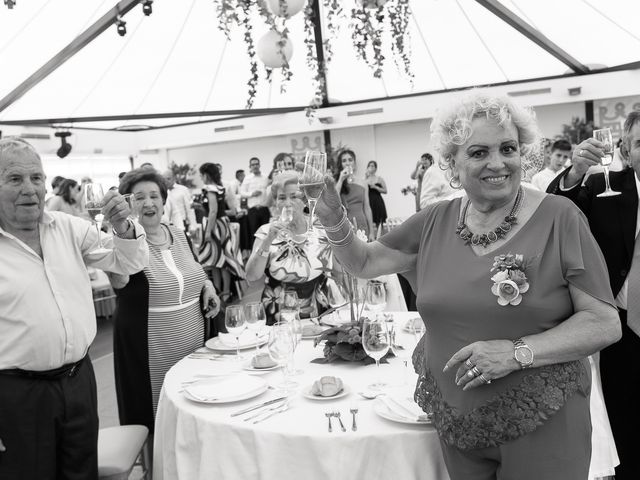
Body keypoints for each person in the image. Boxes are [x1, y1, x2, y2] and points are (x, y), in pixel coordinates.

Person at [303, 92, 621, 480]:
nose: (497, 163)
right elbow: (365, 262)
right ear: (451, 163)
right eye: (478, 152)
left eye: (508, 148)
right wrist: (335, 220)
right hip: (459, 425)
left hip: (543, 424)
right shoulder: (435, 219)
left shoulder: (561, 217)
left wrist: (516, 353)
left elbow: (603, 322)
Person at [0, 137, 148, 479]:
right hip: (15, 396)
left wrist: (122, 225)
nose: (30, 189)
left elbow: (127, 262)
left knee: (82, 472)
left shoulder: (67, 228)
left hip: (78, 381)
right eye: (15, 179)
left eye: (37, 178)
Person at [546, 111, 640, 479]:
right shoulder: (606, 186)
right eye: (639, 143)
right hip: (624, 329)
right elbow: (561, 207)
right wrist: (573, 174)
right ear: (626, 151)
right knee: (627, 423)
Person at [112, 168, 220, 433]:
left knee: (196, 414)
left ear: (163, 200)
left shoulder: (177, 233)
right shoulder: (125, 243)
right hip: (153, 351)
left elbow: (193, 271)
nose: (148, 203)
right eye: (139, 198)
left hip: (194, 345)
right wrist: (118, 234)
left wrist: (207, 284)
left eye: (154, 196)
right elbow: (119, 283)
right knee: (158, 420)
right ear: (128, 204)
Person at [245, 171, 335, 324]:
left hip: (319, 311)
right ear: (276, 202)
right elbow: (252, 276)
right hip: (278, 315)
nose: (287, 203)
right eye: (282, 197)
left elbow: (339, 272)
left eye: (294, 196)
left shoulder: (321, 227)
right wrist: (268, 241)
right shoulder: (266, 232)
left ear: (305, 200)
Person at [199, 162, 245, 302]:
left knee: (217, 261)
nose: (201, 177)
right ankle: (222, 291)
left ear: (206, 175)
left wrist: (207, 231)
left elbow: (212, 211)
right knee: (219, 260)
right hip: (221, 224)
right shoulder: (220, 187)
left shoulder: (210, 189)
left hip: (214, 226)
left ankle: (222, 291)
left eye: (201, 175)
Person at [334, 149, 375, 241]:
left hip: (361, 222)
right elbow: (333, 201)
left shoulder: (363, 183)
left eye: (350, 160)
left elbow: (367, 208)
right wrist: (341, 179)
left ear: (355, 163)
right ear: (340, 165)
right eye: (344, 161)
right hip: (343, 224)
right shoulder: (337, 182)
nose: (347, 163)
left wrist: (372, 232)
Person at [239, 156, 270, 248]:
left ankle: (267, 254)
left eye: (256, 164)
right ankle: (255, 257)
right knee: (254, 233)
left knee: (266, 233)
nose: (255, 166)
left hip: (264, 209)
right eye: (253, 165)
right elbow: (242, 193)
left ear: (259, 165)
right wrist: (252, 194)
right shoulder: (247, 178)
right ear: (250, 167)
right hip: (253, 211)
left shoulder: (266, 177)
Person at [162, 169, 197, 235]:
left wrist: (193, 226)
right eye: (164, 179)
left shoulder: (183, 190)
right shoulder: (161, 192)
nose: (166, 181)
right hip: (166, 225)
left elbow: (190, 209)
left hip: (181, 224)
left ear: (174, 178)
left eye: (168, 179)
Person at [364, 160, 388, 233]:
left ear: (375, 168)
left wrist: (375, 187)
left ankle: (381, 237)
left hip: (377, 201)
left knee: (379, 222)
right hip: (368, 201)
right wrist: (365, 177)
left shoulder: (379, 179)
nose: (371, 167)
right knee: (368, 221)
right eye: (369, 166)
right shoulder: (365, 179)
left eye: (372, 166)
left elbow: (385, 191)